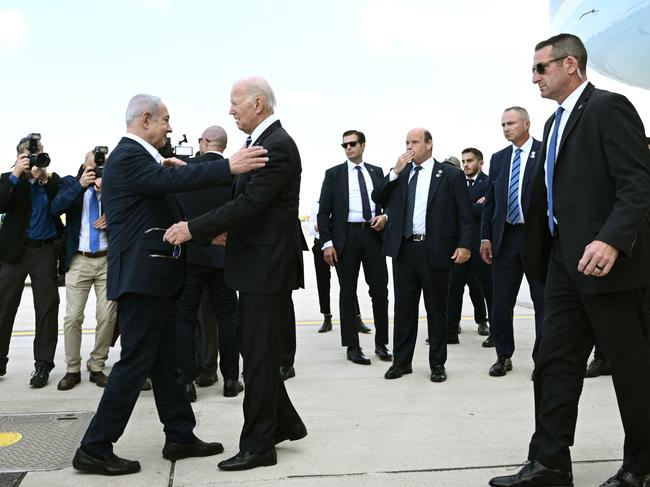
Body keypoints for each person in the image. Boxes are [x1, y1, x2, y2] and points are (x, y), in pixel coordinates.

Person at [72, 93, 267, 476]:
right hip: (142, 281)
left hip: (156, 278)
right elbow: (174, 180)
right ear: (145, 119)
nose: (170, 127)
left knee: (166, 365)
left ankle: (180, 434)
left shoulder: (143, 161)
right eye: (165, 120)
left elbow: (166, 203)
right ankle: (94, 447)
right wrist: (226, 166)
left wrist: (203, 234)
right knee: (134, 364)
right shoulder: (128, 156)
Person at [490, 33, 650, 487]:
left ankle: (641, 466)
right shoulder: (556, 124)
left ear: (571, 66)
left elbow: (637, 182)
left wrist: (612, 241)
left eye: (541, 67)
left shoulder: (607, 108)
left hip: (608, 265)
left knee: (630, 369)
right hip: (563, 264)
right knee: (553, 362)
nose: (534, 76)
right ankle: (550, 463)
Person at [165, 77, 307, 471]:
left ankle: (259, 444)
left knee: (259, 356)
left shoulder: (274, 146)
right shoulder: (259, 144)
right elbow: (244, 199)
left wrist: (195, 227)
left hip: (268, 266)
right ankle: (283, 422)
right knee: (251, 344)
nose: (230, 110)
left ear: (257, 103)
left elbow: (250, 202)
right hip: (256, 262)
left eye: (235, 103)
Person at [372, 128, 472, 382]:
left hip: (436, 250)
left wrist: (465, 245)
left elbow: (465, 215)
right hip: (405, 250)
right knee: (404, 309)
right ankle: (402, 362)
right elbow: (378, 196)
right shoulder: (401, 174)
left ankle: (437, 364)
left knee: (436, 310)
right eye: (406, 142)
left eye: (415, 142)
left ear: (429, 144)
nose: (409, 147)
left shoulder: (450, 174)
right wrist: (394, 171)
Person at [175, 125, 243, 400]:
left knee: (186, 319)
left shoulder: (189, 170)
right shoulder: (233, 173)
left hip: (191, 254)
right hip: (224, 257)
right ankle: (230, 380)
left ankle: (187, 383)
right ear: (224, 146)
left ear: (204, 143)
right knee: (228, 318)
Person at [480, 107, 546, 376]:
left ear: (527, 124)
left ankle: (542, 359)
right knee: (501, 301)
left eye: (511, 123)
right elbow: (490, 203)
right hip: (505, 239)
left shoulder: (544, 152)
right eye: (503, 124)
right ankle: (503, 355)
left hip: (536, 238)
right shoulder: (499, 159)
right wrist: (486, 236)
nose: (506, 128)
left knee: (542, 302)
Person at [317, 130, 391, 365]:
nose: (347, 148)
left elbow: (390, 203)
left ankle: (382, 343)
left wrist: (385, 217)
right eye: (344, 145)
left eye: (352, 144)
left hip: (372, 235)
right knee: (347, 293)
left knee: (380, 291)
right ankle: (352, 346)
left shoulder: (376, 172)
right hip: (346, 237)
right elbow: (322, 212)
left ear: (363, 145)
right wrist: (327, 243)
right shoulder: (334, 174)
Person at [0, 135, 63, 387]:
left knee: (47, 308)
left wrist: (44, 180)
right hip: (14, 253)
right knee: (3, 307)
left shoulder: (51, 181)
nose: (35, 160)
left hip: (43, 252)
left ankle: (43, 366)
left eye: (38, 155)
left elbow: (60, 205)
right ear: (19, 156)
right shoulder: (8, 180)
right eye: (29, 155)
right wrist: (17, 172)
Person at [51, 150, 116, 390]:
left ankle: (97, 365)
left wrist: (112, 214)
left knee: (107, 316)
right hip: (78, 261)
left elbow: (130, 212)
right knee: (72, 317)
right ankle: (72, 369)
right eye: (92, 168)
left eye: (101, 169)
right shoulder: (70, 183)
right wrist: (81, 184)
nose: (97, 173)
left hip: (106, 260)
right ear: (83, 166)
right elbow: (56, 208)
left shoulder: (113, 186)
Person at [446, 148, 492, 344]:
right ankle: (449, 332)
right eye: (463, 161)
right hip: (460, 247)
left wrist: (465, 207)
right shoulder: (456, 182)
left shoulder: (489, 182)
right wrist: (475, 205)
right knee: (452, 289)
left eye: (470, 161)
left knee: (487, 291)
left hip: (482, 246)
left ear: (480, 163)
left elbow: (489, 210)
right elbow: (450, 211)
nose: (465, 165)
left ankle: (493, 331)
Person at [307, 201, 367, 333]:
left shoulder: (341, 203)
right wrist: (321, 226)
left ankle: (356, 317)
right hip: (320, 244)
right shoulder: (316, 204)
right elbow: (310, 228)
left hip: (339, 245)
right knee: (322, 283)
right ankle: (326, 317)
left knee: (347, 283)